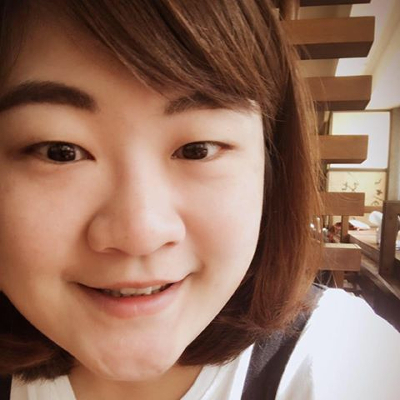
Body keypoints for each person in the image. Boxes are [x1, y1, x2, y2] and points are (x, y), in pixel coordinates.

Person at [0, 1, 398, 399]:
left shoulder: (346, 364)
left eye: (198, 150)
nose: (140, 234)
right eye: (59, 152)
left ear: (270, 168)